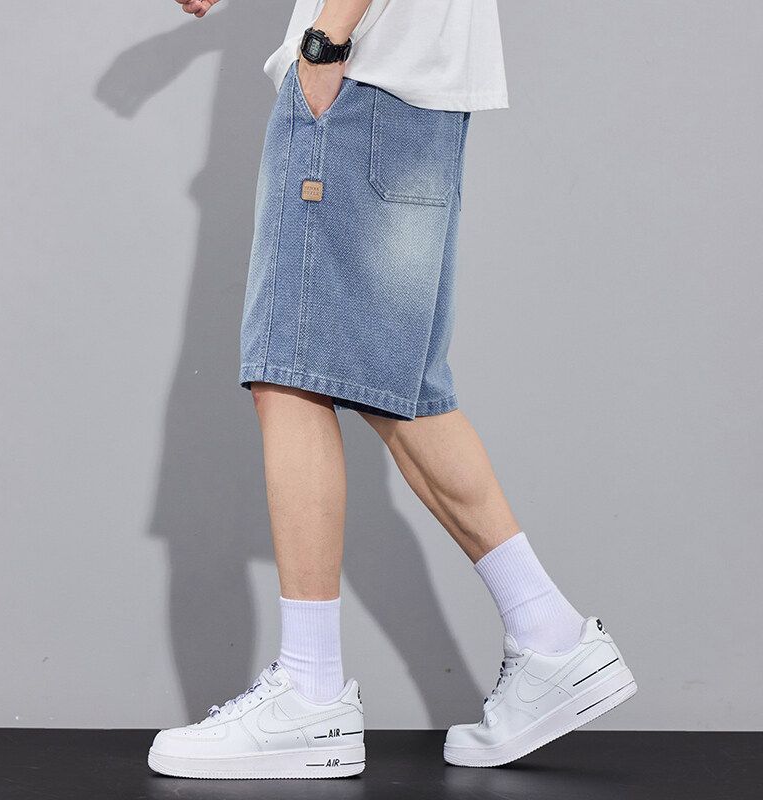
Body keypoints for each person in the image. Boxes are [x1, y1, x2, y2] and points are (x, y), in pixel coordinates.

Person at [148, 0, 636, 779]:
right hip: (412, 98)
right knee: (401, 389)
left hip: (359, 81)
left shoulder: (340, 57)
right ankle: (548, 635)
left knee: (290, 373)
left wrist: (324, 41)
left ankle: (310, 697)